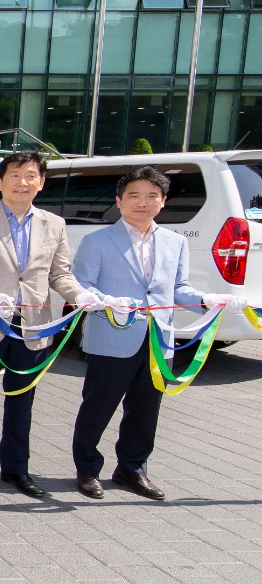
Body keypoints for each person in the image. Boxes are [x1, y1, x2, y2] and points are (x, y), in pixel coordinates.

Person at [71, 167, 250, 501]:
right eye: (134, 195)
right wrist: (109, 303)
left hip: (159, 340)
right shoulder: (96, 241)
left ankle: (132, 468)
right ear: (119, 201)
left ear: (163, 201)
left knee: (146, 409)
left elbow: (178, 289)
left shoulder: (175, 242)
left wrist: (206, 301)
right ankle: (87, 470)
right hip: (112, 338)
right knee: (97, 407)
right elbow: (83, 287)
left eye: (152, 196)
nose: (143, 202)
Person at [0, 151, 101, 498]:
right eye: (15, 175)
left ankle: (16, 468)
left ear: (41, 182)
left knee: (22, 401)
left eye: (30, 175)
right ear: (0, 182)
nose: (22, 182)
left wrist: (79, 294)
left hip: (33, 326)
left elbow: (60, 274)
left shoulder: (54, 224)